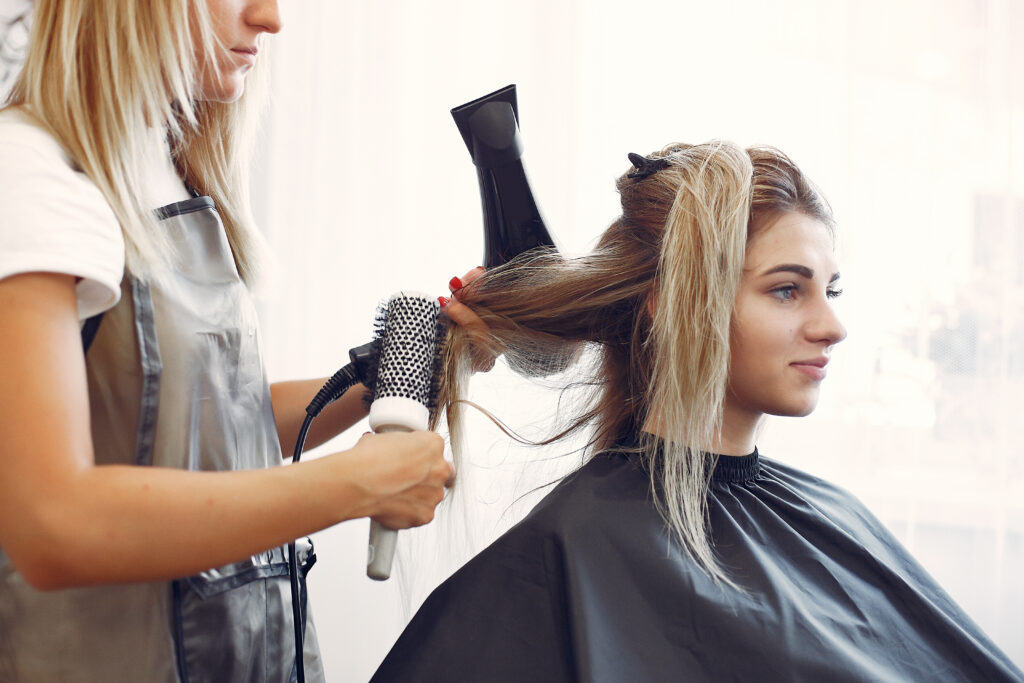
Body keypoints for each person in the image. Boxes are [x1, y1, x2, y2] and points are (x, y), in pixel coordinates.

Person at [372, 141, 1024, 682]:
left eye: (831, 290)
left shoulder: (837, 515)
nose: (832, 326)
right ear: (673, 301)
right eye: (787, 290)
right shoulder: (575, 543)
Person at [0, 1, 484, 681]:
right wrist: (353, 485)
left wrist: (410, 366)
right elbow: (53, 523)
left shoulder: (171, 163)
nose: (271, 17)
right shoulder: (30, 172)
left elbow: (227, 424)